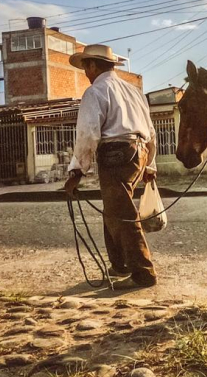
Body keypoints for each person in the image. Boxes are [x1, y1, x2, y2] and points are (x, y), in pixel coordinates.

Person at [63, 44, 158, 289]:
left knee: (123, 214)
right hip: (139, 152)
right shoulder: (133, 91)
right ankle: (119, 266)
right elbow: (150, 132)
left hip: (116, 154)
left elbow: (88, 134)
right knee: (114, 210)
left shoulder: (95, 92)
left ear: (93, 65)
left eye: (86, 66)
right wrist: (149, 164)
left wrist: (76, 172)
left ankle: (142, 273)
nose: (85, 71)